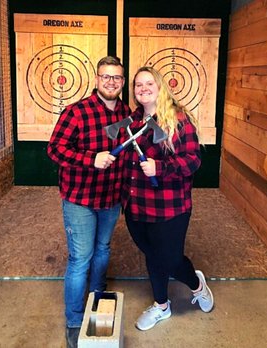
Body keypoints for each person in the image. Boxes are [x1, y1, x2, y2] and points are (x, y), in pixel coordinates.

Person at [47, 56, 131, 348]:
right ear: (97, 79)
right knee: (80, 258)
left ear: (122, 81)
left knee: (103, 250)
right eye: (106, 77)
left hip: (110, 198)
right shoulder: (76, 112)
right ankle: (73, 320)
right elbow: (54, 150)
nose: (111, 82)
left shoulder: (125, 112)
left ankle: (97, 300)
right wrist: (89, 159)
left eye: (117, 78)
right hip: (80, 199)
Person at [121, 66, 214, 331]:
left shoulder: (178, 119)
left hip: (170, 207)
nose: (143, 88)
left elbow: (193, 161)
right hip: (137, 205)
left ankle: (197, 285)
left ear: (161, 87)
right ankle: (162, 305)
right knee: (153, 255)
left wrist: (159, 168)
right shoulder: (133, 121)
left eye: (149, 83)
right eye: (138, 85)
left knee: (171, 259)